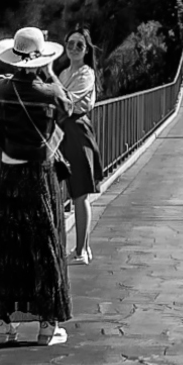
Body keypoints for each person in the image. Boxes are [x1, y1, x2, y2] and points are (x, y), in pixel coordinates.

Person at [0, 27, 72, 345]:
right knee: (45, 246)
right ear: (42, 60)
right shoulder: (49, 93)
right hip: (39, 176)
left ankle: (1, 324)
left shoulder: (4, 90)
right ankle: (47, 326)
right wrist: (50, 73)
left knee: (9, 247)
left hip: (9, 175)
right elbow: (68, 108)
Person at [56, 30, 100, 264]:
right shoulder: (65, 72)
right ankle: (83, 247)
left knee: (80, 193)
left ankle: (81, 251)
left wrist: (48, 79)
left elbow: (66, 102)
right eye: (70, 43)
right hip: (64, 132)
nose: (74, 47)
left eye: (79, 45)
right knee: (75, 192)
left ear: (86, 49)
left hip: (77, 132)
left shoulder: (86, 73)